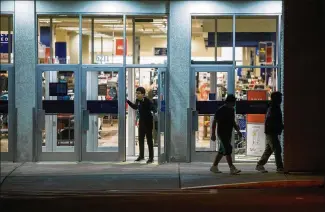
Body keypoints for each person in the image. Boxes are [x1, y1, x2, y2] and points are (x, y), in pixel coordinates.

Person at [210, 94, 242, 175]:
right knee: (227, 149)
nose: (234, 104)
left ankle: (214, 167)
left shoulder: (231, 110)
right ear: (229, 102)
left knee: (221, 151)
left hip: (228, 132)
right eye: (233, 102)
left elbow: (233, 122)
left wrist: (238, 130)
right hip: (222, 133)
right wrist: (213, 134)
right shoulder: (221, 110)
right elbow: (214, 122)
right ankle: (232, 168)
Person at [256, 91, 284, 173]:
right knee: (277, 148)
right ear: (275, 99)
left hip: (271, 131)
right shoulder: (273, 108)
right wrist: (280, 126)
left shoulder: (274, 106)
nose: (281, 100)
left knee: (269, 149)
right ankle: (279, 167)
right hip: (271, 131)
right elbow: (271, 120)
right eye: (280, 98)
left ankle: (260, 165)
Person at [127, 87, 156, 164]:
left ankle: (151, 157)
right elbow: (135, 107)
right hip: (142, 122)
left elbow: (154, 109)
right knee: (140, 139)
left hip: (148, 122)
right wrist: (127, 101)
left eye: (139, 93)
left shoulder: (148, 101)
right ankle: (141, 155)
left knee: (149, 140)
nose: (137, 94)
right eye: (136, 93)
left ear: (143, 94)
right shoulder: (137, 101)